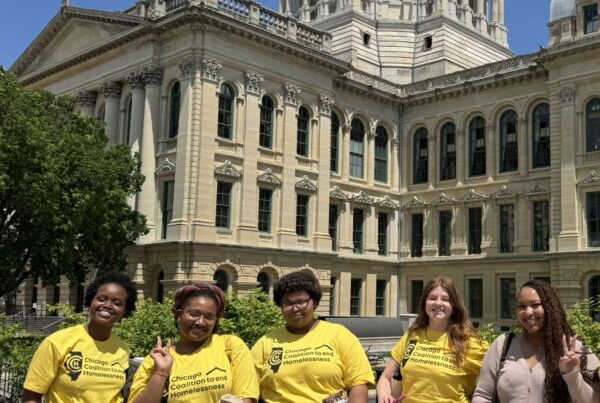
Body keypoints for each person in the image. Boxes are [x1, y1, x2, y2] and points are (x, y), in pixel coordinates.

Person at [251, 270, 374, 403]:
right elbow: (248, 390)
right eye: (287, 303)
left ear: (314, 302)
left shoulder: (339, 335)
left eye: (301, 301)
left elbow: (359, 383)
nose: (295, 308)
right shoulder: (266, 343)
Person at [472, 279, 600, 402]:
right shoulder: (503, 345)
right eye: (522, 306)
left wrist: (572, 375)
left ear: (550, 307)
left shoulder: (574, 349)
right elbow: (483, 395)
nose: (528, 312)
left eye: (535, 305)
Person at [128, 283, 258, 403]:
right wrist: (161, 372)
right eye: (194, 314)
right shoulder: (157, 360)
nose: (200, 322)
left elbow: (246, 397)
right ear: (178, 314)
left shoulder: (230, 346)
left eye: (209, 317)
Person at [23, 272, 138, 403]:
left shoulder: (123, 349)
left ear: (125, 311)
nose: (107, 305)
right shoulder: (57, 342)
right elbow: (32, 395)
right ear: (90, 301)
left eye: (117, 303)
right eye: (101, 299)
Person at [376, 277, 488, 403]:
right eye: (432, 298)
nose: (438, 303)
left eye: (445, 299)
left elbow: (500, 377)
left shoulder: (469, 342)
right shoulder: (412, 335)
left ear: (454, 306)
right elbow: (385, 377)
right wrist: (385, 397)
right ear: (425, 303)